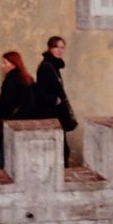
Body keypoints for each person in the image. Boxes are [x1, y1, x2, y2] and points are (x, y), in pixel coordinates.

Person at [34, 35, 73, 167]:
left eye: (62, 48)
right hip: (51, 115)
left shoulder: (54, 66)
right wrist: (55, 100)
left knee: (63, 150)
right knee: (61, 151)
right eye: (56, 47)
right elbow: (40, 92)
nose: (59, 50)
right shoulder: (46, 67)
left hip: (57, 115)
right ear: (50, 48)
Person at [0, 51, 36, 167]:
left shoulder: (11, 80)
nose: (2, 66)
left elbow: (6, 106)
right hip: (27, 126)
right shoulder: (27, 79)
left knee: (7, 162)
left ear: (13, 64)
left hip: (12, 125)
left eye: (4, 63)